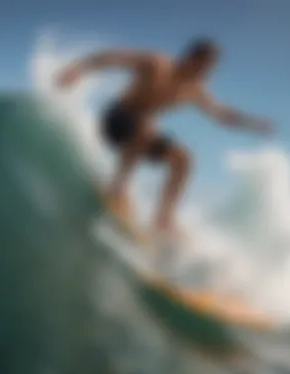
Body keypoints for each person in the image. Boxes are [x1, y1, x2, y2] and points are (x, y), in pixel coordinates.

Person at [56, 37, 273, 239]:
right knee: (146, 124)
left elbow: (222, 115)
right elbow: (115, 58)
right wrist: (77, 69)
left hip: (141, 135)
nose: (207, 73)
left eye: (210, 69)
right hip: (116, 120)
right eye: (204, 66)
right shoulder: (157, 64)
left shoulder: (195, 90)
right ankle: (118, 187)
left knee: (184, 159)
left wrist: (253, 124)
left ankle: (163, 218)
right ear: (191, 58)